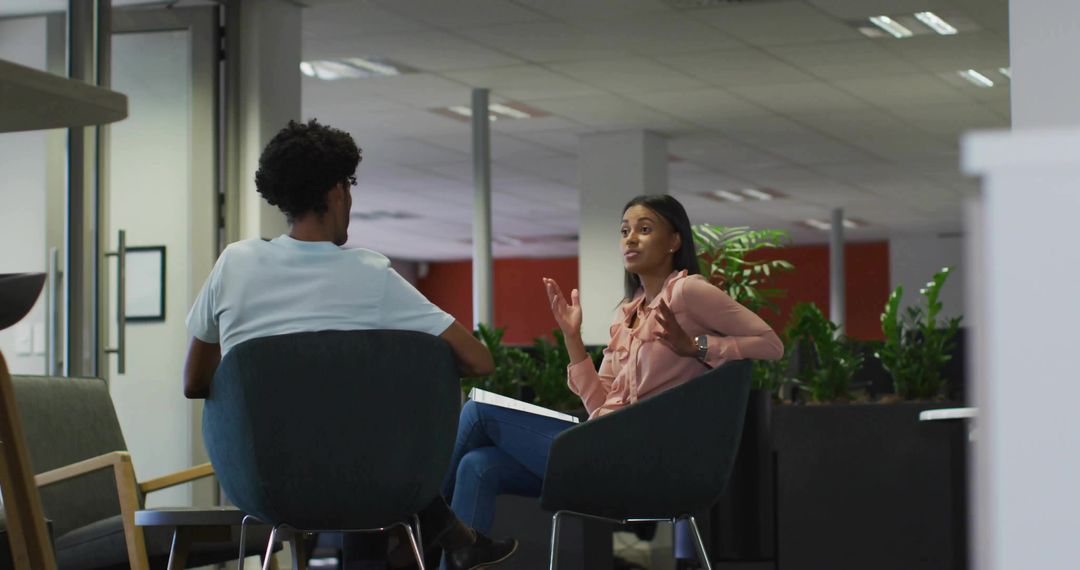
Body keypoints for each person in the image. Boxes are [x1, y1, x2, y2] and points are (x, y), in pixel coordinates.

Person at [182, 119, 517, 570]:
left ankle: (444, 529)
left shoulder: (234, 263)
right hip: (371, 477)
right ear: (339, 192)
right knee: (365, 417)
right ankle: (446, 530)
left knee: (336, 415)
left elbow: (194, 381)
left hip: (262, 481)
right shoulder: (371, 273)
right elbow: (478, 359)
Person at [442, 194, 784, 534]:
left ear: (674, 241)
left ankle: (426, 521)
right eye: (624, 231)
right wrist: (572, 338)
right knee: (477, 465)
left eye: (645, 229)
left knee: (478, 413)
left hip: (643, 460)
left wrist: (695, 345)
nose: (630, 238)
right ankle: (450, 549)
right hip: (607, 444)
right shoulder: (628, 311)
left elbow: (770, 344)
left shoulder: (689, 292)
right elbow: (599, 407)